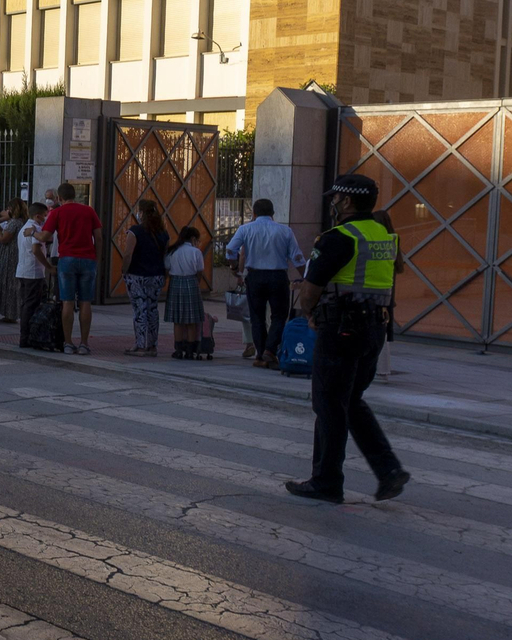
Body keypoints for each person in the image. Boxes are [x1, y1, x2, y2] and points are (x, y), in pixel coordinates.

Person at [287, 174, 409, 504]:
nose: (333, 202)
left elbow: (310, 289)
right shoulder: (383, 235)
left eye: (336, 197)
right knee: (350, 401)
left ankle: (326, 482)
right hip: (374, 329)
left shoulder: (338, 237)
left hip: (340, 328)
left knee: (328, 404)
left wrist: (309, 315)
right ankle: (388, 471)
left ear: (348, 201)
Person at [226, 198, 306, 369]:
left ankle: (261, 354)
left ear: (253, 213)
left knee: (257, 317)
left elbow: (231, 249)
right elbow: (297, 257)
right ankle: (269, 350)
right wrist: (306, 277)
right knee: (278, 315)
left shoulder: (245, 229)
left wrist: (234, 267)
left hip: (255, 277)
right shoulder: (285, 231)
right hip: (278, 277)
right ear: (273, 214)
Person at [38, 183, 101, 354]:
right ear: (75, 196)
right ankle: (84, 343)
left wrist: (32, 233)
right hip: (88, 259)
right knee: (85, 302)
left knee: (67, 301)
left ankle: (67, 343)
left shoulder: (57, 212)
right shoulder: (89, 211)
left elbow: (45, 235)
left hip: (66, 259)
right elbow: (98, 235)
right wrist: (97, 257)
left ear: (59, 198)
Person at [123, 199, 169, 356]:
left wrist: (124, 271)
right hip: (156, 276)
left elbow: (128, 254)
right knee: (152, 310)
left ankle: (141, 345)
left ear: (141, 213)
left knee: (140, 310)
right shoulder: (163, 233)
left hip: (137, 275)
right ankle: (152, 345)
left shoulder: (135, 231)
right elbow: (164, 255)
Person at [164, 227, 207, 359]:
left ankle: (178, 350)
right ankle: (190, 350)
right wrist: (195, 282)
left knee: (177, 320)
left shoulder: (171, 251)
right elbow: (199, 271)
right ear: (193, 239)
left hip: (175, 283)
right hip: (191, 283)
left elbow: (166, 269)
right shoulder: (196, 252)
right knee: (192, 320)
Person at [371, 208, 403, 379]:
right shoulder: (393, 240)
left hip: (375, 293)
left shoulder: (377, 242)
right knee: (381, 332)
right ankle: (383, 370)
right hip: (387, 293)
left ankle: (381, 370)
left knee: (377, 333)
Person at [14, 202, 51, 346]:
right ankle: (26, 337)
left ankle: (26, 336)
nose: (46, 218)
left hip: (23, 270)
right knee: (31, 305)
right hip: (33, 272)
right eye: (45, 215)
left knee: (26, 304)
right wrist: (48, 266)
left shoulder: (24, 228)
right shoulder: (34, 228)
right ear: (38, 216)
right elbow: (36, 250)